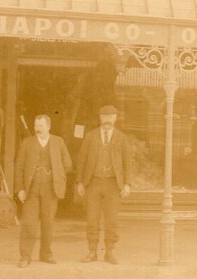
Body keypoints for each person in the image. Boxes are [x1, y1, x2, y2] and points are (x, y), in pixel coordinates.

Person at [75, 105, 133, 264]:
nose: (107, 119)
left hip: (113, 185)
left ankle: (109, 252)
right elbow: (82, 159)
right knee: (92, 219)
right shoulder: (90, 136)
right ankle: (92, 251)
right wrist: (80, 181)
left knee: (111, 219)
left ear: (115, 118)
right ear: (100, 118)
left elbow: (128, 162)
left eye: (111, 116)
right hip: (92, 183)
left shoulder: (122, 138)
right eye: (104, 116)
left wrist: (127, 183)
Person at [14, 114, 73, 268]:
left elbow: (67, 164)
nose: (37, 128)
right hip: (31, 189)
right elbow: (19, 167)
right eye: (36, 125)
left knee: (48, 223)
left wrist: (57, 177)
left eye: (40, 125)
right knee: (29, 224)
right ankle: (25, 256)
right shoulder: (27, 143)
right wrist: (20, 188)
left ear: (48, 126)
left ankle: (46, 254)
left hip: (50, 189)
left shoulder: (58, 142)